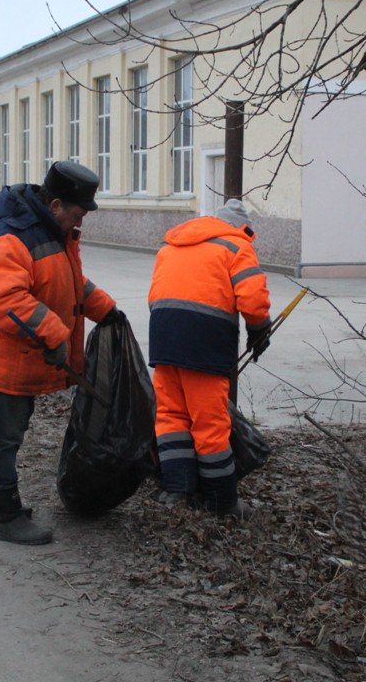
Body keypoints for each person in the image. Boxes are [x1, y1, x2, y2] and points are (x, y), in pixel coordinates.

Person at [0, 161, 122, 545]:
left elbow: (68, 281)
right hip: (3, 360)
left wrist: (105, 308)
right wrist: (55, 334)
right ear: (56, 206)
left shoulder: (50, 230)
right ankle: (6, 515)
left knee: (9, 432)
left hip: (21, 358)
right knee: (2, 437)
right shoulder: (13, 236)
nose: (80, 223)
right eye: (78, 214)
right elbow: (4, 300)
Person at [148, 198, 271, 518]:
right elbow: (253, 296)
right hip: (202, 342)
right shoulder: (236, 245)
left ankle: (178, 491)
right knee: (209, 422)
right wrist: (259, 330)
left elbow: (156, 295)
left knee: (172, 415)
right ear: (243, 227)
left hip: (163, 338)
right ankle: (221, 501)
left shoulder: (173, 245)